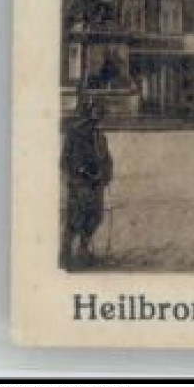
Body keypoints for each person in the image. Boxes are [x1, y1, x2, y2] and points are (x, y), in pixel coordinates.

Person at [61, 97, 113, 269]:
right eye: (96, 112)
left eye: (102, 113)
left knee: (95, 216)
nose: (99, 117)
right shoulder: (75, 134)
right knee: (76, 218)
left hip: (96, 184)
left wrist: (106, 173)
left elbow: (106, 158)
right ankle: (65, 254)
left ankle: (83, 251)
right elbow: (67, 160)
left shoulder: (100, 136)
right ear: (88, 112)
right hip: (80, 183)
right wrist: (83, 172)